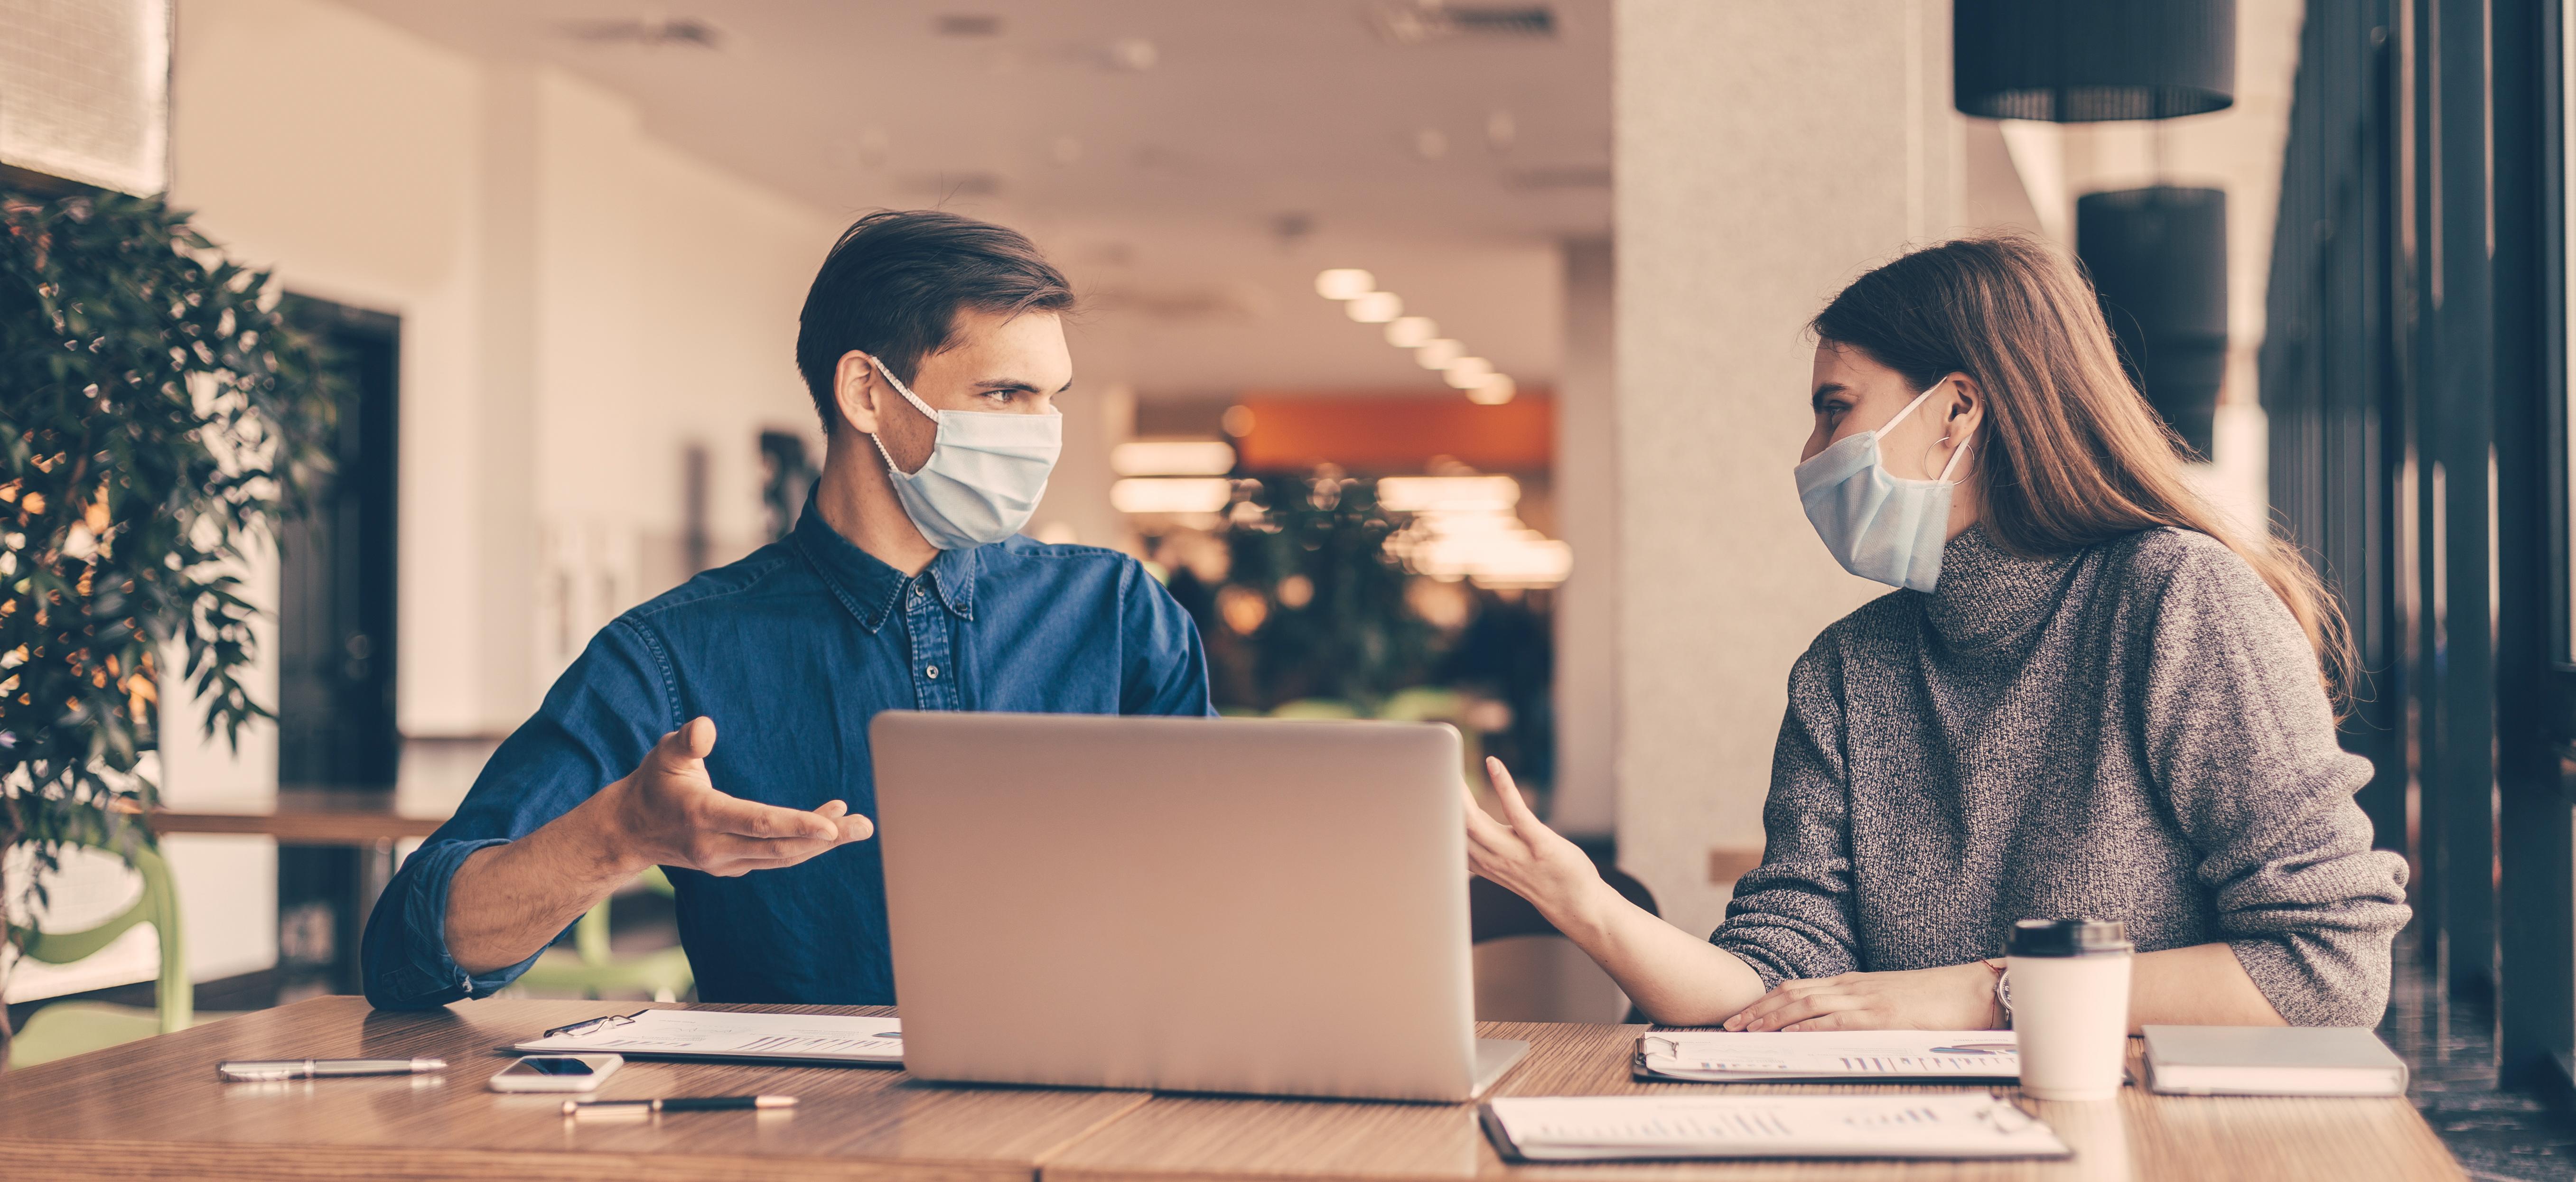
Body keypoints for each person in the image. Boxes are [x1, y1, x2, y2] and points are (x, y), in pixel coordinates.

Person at [1465, 233, 2408, 1032]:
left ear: (1957, 408)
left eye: (1834, 408)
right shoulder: (1845, 669)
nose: (1808, 457)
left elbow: (2325, 965)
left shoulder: (2176, 602)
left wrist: (1985, 991)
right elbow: (1779, 985)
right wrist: (1584, 907)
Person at [363, 210, 1213, 1009]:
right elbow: (409, 953)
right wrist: (619, 833)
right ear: (866, 394)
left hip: (1083, 1120)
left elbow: (1222, 873)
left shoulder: (1116, 613)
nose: (1044, 432)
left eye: (1052, 397)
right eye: (1005, 396)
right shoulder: (672, 654)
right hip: (796, 1138)